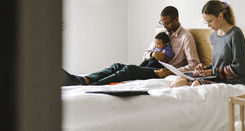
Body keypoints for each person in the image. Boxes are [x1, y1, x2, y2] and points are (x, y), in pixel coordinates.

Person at [63, 6, 200, 86]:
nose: (164, 26)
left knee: (129, 70)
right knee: (117, 66)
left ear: (176, 19)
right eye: (162, 23)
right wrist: (152, 54)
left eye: (167, 23)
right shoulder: (162, 34)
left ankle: (93, 86)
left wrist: (170, 71)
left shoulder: (186, 38)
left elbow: (194, 65)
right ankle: (84, 79)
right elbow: (145, 54)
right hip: (150, 65)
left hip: (162, 72)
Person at [170, 0, 245, 88]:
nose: (208, 25)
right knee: (178, 82)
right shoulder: (213, 36)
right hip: (218, 77)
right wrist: (204, 69)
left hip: (234, 81)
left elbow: (239, 68)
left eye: (210, 21)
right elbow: (220, 64)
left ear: (220, 16)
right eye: (206, 22)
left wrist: (211, 72)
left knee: (196, 84)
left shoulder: (235, 34)